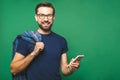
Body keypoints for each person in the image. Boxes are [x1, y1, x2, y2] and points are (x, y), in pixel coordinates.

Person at [10, 2, 80, 80]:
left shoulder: (61, 41)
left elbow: (64, 71)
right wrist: (34, 53)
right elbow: (14, 69)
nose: (46, 19)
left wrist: (71, 68)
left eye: (49, 15)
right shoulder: (26, 40)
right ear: (36, 17)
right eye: (41, 15)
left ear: (54, 17)